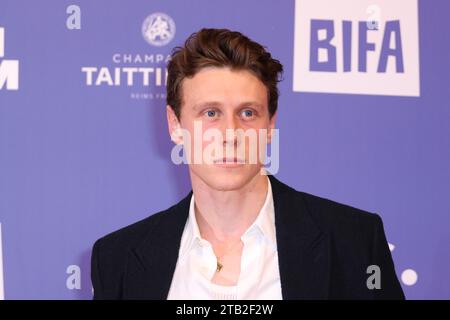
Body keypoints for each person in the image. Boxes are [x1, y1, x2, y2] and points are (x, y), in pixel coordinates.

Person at [90, 28, 404, 299]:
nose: (231, 134)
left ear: (270, 126)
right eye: (210, 113)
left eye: (248, 113)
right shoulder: (118, 259)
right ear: (175, 125)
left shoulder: (354, 242)